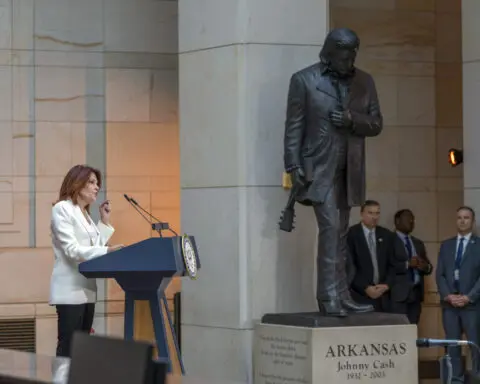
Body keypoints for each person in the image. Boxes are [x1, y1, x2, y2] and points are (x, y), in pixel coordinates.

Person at [283, 27, 383, 316]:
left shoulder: (365, 81)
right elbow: (294, 128)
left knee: (340, 232)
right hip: (319, 169)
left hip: (350, 169)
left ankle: (342, 294)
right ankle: (328, 297)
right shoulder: (304, 80)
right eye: (343, 53)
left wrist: (353, 119)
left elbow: (377, 123)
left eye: (353, 53)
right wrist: (293, 165)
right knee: (330, 229)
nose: (349, 59)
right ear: (330, 51)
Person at [49, 164, 124, 358]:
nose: (96, 187)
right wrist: (107, 250)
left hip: (88, 290)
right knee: (69, 348)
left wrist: (104, 222)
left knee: (82, 350)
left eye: (97, 183)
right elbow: (72, 250)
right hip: (70, 289)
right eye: (91, 182)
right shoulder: (62, 208)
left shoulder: (86, 215)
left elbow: (94, 248)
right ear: (77, 183)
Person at [436, 206, 480, 382]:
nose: (462, 221)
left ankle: (477, 377)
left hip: (472, 305)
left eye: (466, 218)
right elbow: (440, 274)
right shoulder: (446, 245)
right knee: (452, 345)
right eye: (459, 218)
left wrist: (469, 296)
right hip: (450, 305)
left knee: (475, 345)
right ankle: (455, 379)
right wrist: (448, 295)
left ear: (472, 221)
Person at [347, 200, 398, 312]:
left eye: (377, 213)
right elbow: (349, 266)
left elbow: (393, 264)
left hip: (383, 296)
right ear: (362, 214)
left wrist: (386, 285)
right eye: (370, 213)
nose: (374, 217)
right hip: (359, 295)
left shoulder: (387, 235)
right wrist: (365, 287)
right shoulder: (352, 234)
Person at [390, 209, 432, 324]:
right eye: (408, 218)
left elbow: (429, 267)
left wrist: (424, 266)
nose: (411, 221)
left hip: (416, 294)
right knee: (399, 332)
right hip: (398, 296)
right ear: (397, 221)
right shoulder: (389, 240)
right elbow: (388, 266)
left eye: (413, 219)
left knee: (413, 329)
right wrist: (408, 264)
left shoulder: (418, 243)